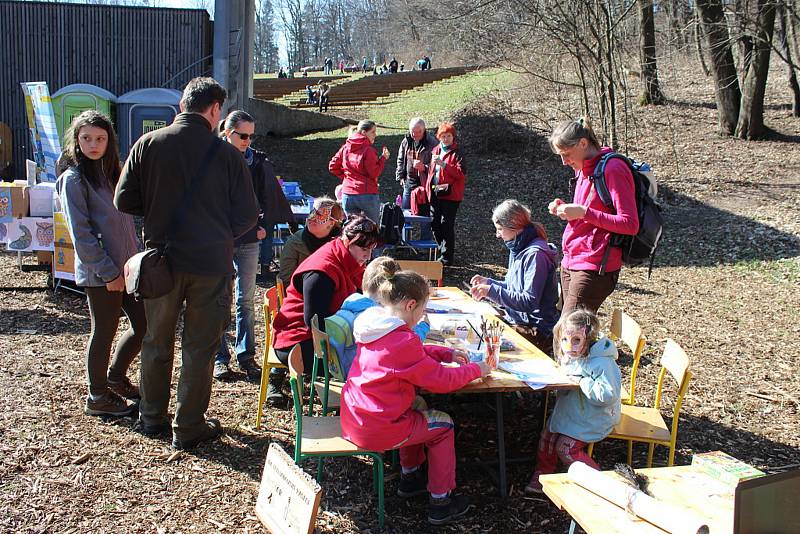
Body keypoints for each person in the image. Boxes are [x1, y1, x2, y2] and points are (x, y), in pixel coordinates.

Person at [115, 77, 259, 450]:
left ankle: (152, 417)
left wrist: (158, 211)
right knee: (199, 347)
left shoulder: (148, 144)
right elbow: (247, 215)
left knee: (155, 341)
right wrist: (216, 230)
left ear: (182, 106)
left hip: (161, 260)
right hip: (210, 264)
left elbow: (124, 201)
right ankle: (188, 425)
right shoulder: (228, 155)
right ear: (215, 111)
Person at [341, 271, 489, 525]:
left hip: (357, 417)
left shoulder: (376, 326)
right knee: (443, 425)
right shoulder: (402, 339)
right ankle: (441, 502)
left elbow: (409, 356)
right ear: (411, 305)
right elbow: (443, 381)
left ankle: (411, 478)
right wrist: (478, 370)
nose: (423, 314)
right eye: (423, 309)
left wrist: (444, 353)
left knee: (418, 405)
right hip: (378, 427)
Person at [57, 110, 145, 417]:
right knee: (104, 330)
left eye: (100, 138)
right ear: (76, 141)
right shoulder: (73, 180)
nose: (93, 145)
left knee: (144, 326)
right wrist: (108, 272)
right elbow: (81, 234)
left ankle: (116, 377)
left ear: (109, 141)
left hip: (129, 268)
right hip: (101, 272)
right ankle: (97, 396)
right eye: (86, 138)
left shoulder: (112, 174)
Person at [267, 215, 380, 407]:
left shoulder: (345, 258)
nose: (368, 256)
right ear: (346, 240)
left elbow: (364, 291)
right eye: (363, 248)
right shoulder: (322, 271)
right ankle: (358, 410)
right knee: (371, 362)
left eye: (371, 249)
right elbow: (314, 323)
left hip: (316, 336)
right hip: (297, 342)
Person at [213, 110, 293, 381]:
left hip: (248, 240)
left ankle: (246, 355)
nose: (247, 141)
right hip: (220, 241)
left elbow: (266, 198)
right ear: (228, 132)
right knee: (219, 300)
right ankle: (220, 357)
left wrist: (263, 228)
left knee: (245, 300)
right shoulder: (213, 159)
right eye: (242, 135)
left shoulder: (256, 162)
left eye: (250, 135)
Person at [524, 309, 621, 494]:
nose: (569, 346)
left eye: (576, 340)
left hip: (595, 417)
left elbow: (608, 396)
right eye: (564, 340)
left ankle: (597, 483)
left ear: (589, 338)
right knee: (547, 436)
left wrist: (582, 381)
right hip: (572, 410)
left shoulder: (602, 363)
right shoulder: (573, 355)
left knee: (565, 448)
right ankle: (544, 473)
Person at [547, 118, 639, 314]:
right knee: (570, 333)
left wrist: (583, 213)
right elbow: (591, 210)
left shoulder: (613, 169)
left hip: (595, 265)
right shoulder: (583, 169)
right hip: (571, 259)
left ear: (583, 143)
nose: (564, 162)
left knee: (569, 333)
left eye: (566, 154)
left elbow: (630, 223)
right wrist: (565, 209)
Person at [469, 200, 560, 354]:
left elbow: (529, 301)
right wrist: (489, 283)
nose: (498, 235)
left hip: (536, 330)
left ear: (514, 227)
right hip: (518, 321)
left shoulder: (535, 255)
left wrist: (491, 291)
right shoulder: (517, 246)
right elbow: (514, 288)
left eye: (500, 229)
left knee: (483, 345)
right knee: (473, 332)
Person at [328, 256, 430, 376]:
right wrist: (424, 326)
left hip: (340, 371)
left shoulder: (351, 304)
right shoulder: (378, 318)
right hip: (363, 375)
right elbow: (406, 345)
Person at [328, 120, 390, 223]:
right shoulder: (368, 150)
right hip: (367, 194)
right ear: (364, 133)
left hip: (348, 195)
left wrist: (347, 178)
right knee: (372, 230)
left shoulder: (346, 147)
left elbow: (332, 166)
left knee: (351, 230)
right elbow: (374, 173)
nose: (375, 135)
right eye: (373, 132)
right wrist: (383, 158)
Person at [278, 197, 345, 287]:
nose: (311, 217)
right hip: (300, 295)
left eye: (319, 214)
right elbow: (287, 281)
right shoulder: (294, 243)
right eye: (312, 212)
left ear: (331, 223)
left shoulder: (341, 245)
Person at [425, 122, 466, 266]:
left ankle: (447, 256)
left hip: (451, 195)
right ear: (439, 137)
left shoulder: (458, 153)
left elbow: (460, 174)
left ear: (453, 137)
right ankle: (442, 249)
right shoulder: (436, 150)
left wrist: (443, 164)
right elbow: (432, 171)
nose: (446, 139)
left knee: (446, 224)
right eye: (443, 136)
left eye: (448, 136)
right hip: (436, 192)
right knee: (434, 222)